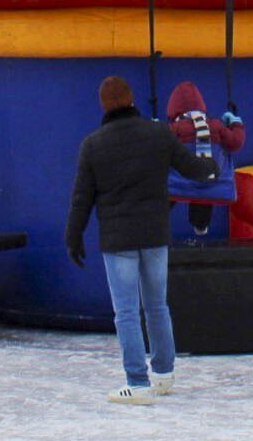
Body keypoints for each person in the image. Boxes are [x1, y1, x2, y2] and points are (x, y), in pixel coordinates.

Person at [65, 75, 218, 405]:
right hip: (154, 235)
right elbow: (191, 167)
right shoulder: (158, 134)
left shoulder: (93, 145)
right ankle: (164, 374)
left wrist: (73, 235)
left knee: (127, 313)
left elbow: (82, 198)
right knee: (157, 305)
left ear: (104, 105)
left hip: (118, 240)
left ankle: (137, 382)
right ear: (132, 100)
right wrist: (212, 168)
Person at [166, 78, 245, 234]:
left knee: (169, 184)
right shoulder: (216, 126)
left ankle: (158, 216)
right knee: (205, 189)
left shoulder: (173, 129)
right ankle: (200, 225)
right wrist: (236, 124)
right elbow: (235, 143)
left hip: (179, 182)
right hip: (210, 181)